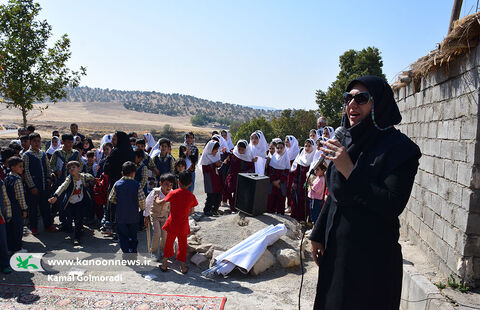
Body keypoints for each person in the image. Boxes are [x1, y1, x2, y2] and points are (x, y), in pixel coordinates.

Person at [309, 76, 421, 310]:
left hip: (371, 259)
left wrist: (349, 169)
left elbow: (392, 204)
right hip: (337, 251)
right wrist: (318, 233)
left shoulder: (401, 149)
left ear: (378, 104)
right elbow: (335, 195)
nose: (352, 104)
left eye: (361, 98)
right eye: (348, 98)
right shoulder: (347, 140)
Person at [48, 161, 95, 245]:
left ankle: (77, 237)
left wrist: (92, 180)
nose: (71, 169)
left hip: (80, 202)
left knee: (78, 219)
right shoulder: (69, 179)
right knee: (69, 218)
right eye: (69, 168)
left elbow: (91, 177)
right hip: (70, 203)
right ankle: (70, 228)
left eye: (73, 167)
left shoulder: (83, 177)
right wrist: (55, 196)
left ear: (79, 169)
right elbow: (62, 187)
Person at [160, 171, 198, 274]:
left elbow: (161, 202)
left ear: (178, 182)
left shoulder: (173, 193)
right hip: (183, 225)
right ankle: (182, 267)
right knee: (183, 245)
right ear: (190, 183)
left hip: (172, 223)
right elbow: (192, 211)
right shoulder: (191, 196)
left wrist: (156, 200)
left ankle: (164, 264)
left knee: (169, 243)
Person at [108, 161, 146, 254]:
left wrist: (120, 201)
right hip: (133, 216)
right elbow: (142, 200)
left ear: (122, 173)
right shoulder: (137, 185)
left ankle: (126, 252)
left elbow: (111, 198)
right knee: (133, 235)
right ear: (134, 173)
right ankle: (133, 251)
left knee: (122, 236)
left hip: (121, 217)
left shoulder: (117, 184)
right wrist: (143, 209)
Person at [22, 133, 55, 235]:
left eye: (38, 141)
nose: (37, 143)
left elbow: (48, 166)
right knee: (33, 207)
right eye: (34, 141)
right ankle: (34, 227)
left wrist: (49, 178)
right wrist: (32, 186)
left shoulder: (43, 153)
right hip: (33, 185)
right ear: (30, 142)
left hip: (44, 184)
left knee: (45, 205)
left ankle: (48, 225)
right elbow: (26, 171)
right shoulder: (26, 155)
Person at [144, 173, 175, 261]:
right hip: (155, 216)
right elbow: (148, 203)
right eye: (166, 184)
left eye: (170, 185)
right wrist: (146, 216)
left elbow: (172, 206)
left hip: (165, 217)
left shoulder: (172, 192)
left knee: (165, 234)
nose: (168, 187)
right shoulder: (155, 191)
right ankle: (153, 252)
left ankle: (162, 251)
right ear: (160, 183)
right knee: (157, 233)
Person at [4, 157, 28, 253]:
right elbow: (20, 197)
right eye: (20, 166)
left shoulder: (7, 177)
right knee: (18, 229)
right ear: (13, 168)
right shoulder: (17, 180)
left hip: (8, 207)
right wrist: (24, 209)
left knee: (10, 229)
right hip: (16, 207)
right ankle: (17, 248)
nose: (22, 168)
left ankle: (10, 247)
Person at [225, 140, 254, 211]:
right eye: (239, 149)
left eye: (242, 149)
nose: (240, 151)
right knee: (227, 189)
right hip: (232, 176)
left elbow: (251, 167)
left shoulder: (249, 156)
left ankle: (234, 208)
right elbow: (227, 158)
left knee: (237, 194)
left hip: (242, 178)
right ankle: (232, 205)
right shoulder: (233, 153)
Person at [290, 138, 315, 222]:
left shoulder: (314, 159)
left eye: (309, 146)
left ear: (313, 147)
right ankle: (295, 217)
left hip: (308, 184)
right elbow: (296, 172)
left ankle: (304, 219)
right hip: (299, 183)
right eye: (305, 146)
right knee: (297, 199)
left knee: (306, 201)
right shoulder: (301, 158)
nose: (307, 148)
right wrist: (295, 182)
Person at [266, 140, 290, 215]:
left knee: (281, 199)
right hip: (273, 183)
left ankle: (280, 215)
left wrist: (279, 181)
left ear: (284, 148)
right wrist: (274, 181)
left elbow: (286, 172)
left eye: (281, 148)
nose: (279, 150)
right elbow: (270, 170)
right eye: (278, 148)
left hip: (281, 184)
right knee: (271, 198)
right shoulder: (273, 158)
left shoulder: (286, 158)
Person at [200, 140, 222, 216]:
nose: (216, 151)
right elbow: (205, 169)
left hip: (216, 178)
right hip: (209, 178)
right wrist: (214, 164)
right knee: (211, 194)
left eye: (217, 149)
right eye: (215, 149)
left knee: (218, 194)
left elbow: (218, 165)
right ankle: (207, 210)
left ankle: (215, 209)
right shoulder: (205, 157)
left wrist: (219, 164)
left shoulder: (216, 155)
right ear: (210, 149)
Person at [0, 177, 12, 274]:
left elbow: (5, 199)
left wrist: (8, 214)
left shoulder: (1, 182)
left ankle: (5, 264)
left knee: (3, 243)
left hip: (0, 219)